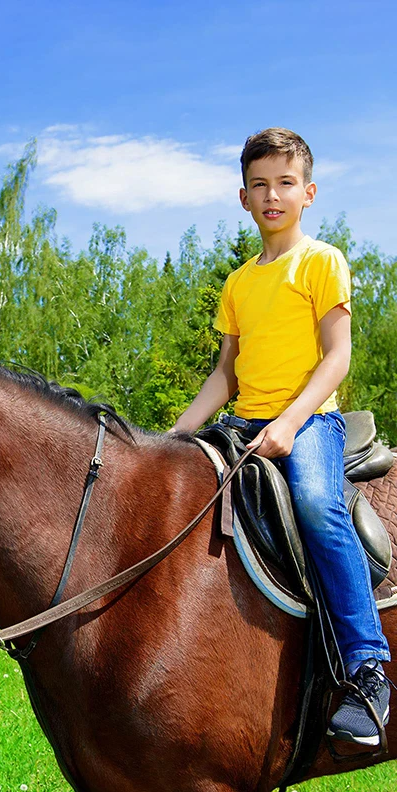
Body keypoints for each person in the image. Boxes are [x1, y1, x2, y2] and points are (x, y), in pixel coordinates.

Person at [171, 127, 391, 746]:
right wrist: (171, 435)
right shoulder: (239, 283)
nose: (273, 195)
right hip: (244, 419)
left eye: (285, 184)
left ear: (309, 192)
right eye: (260, 185)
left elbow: (337, 357)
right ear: (243, 197)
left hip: (311, 421)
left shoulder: (322, 261)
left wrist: (291, 423)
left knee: (319, 506)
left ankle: (368, 668)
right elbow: (225, 374)